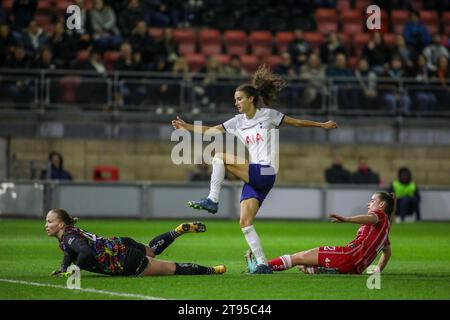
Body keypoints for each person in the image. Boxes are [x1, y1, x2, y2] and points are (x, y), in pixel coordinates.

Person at [171, 64, 338, 274]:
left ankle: (212, 200)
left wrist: (321, 125)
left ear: (250, 98)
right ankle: (262, 264)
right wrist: (186, 127)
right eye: (235, 100)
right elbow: (210, 131)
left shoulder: (268, 115)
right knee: (245, 222)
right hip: (254, 176)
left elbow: (296, 123)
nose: (236, 103)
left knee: (220, 156)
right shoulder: (237, 121)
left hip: (266, 171)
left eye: (239, 98)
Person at [46, 208, 226, 277]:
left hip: (125, 260)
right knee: (152, 250)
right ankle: (177, 231)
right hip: (120, 244)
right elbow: (70, 251)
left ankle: (213, 270)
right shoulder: (68, 235)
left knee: (173, 268)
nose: (46, 225)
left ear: (61, 224)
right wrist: (63, 268)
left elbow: (83, 251)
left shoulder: (69, 236)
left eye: (49, 221)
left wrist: (73, 272)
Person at [246, 192, 394, 275]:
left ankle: (263, 267)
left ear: (381, 205)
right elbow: (387, 253)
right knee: (305, 266)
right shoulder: (385, 232)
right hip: (356, 269)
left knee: (299, 257)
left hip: (348, 256)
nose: (369, 204)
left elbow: (371, 218)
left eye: (372, 200)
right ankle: (321, 270)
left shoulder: (379, 215)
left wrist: (347, 219)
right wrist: (377, 270)